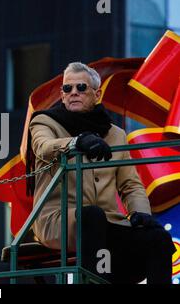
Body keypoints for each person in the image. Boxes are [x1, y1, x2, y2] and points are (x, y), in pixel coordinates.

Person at [28, 62, 175, 284]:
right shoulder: (44, 121)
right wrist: (76, 143)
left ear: (97, 94)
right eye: (67, 89)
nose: (73, 93)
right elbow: (42, 147)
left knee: (159, 238)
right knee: (92, 216)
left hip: (108, 223)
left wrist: (141, 214)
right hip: (59, 220)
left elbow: (131, 185)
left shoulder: (116, 134)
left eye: (81, 88)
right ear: (62, 94)